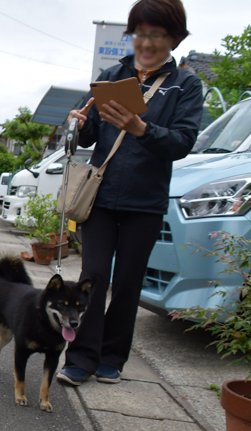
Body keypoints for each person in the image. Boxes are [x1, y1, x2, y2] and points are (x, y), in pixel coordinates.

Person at [56, 0, 203, 385]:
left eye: (157, 35)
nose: (147, 42)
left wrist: (142, 129)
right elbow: (92, 136)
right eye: (141, 33)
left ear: (173, 38)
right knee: (95, 275)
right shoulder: (113, 74)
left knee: (127, 282)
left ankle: (113, 356)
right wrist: (78, 122)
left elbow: (183, 141)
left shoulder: (185, 84)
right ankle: (81, 356)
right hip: (101, 198)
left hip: (146, 202)